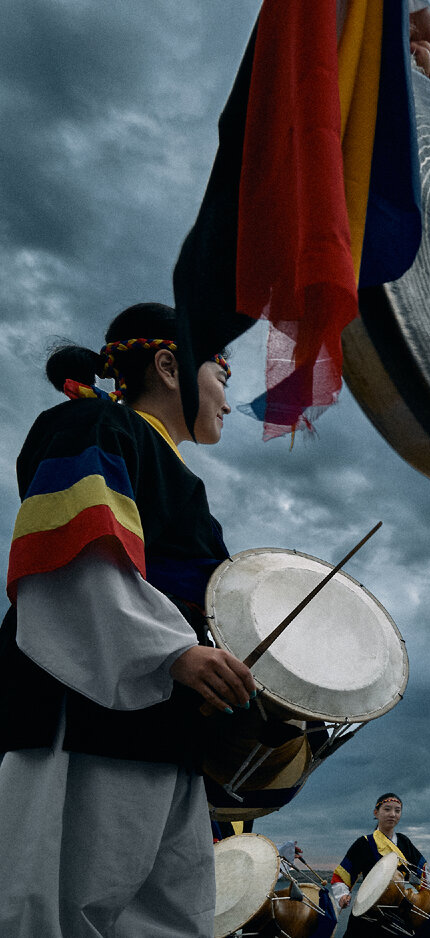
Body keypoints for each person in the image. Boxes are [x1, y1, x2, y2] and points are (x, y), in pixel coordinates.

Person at [0, 302, 257, 937]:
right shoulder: (93, 422)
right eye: (222, 374)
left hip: (166, 729)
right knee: (66, 909)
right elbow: (74, 557)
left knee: (169, 920)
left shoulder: (187, 484)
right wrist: (172, 652)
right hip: (89, 712)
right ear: (170, 366)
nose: (228, 398)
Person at [330, 792, 430, 936]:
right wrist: (342, 896)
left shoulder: (404, 842)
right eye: (387, 809)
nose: (392, 814)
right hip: (368, 913)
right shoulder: (363, 843)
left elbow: (423, 878)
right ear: (376, 813)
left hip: (398, 914)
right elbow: (341, 876)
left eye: (397, 810)